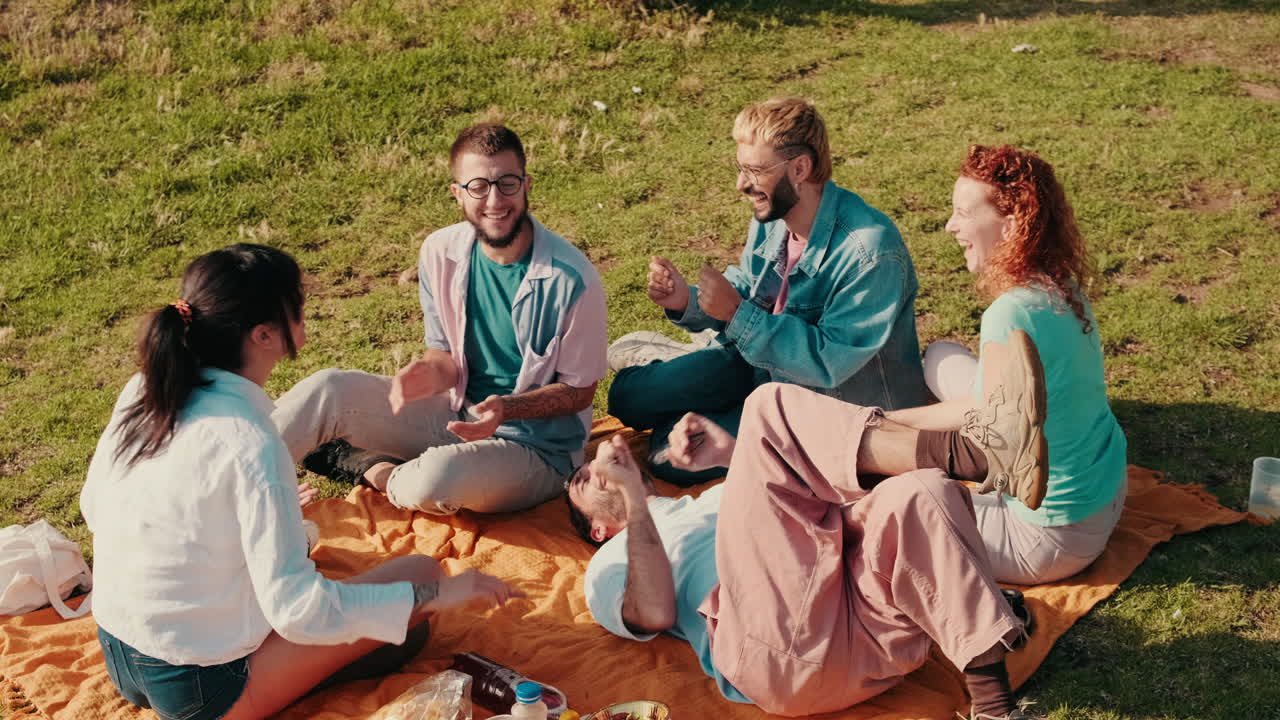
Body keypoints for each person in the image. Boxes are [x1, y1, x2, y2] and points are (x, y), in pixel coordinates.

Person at [81, 244, 519, 720]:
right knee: (419, 582)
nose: (307, 310)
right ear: (265, 335)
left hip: (118, 651)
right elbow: (298, 612)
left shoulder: (144, 388)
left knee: (372, 605)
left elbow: (94, 508)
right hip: (197, 689)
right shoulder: (249, 442)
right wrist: (440, 595)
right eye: (298, 304)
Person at [568, 372, 1044, 719]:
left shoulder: (706, 501)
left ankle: (995, 708)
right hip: (775, 658)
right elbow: (653, 614)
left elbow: (804, 514)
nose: (594, 466)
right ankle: (975, 453)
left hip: (863, 638)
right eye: (583, 480)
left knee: (919, 491)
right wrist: (634, 500)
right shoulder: (608, 565)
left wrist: (736, 455)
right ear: (596, 530)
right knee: (766, 406)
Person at [273, 124, 608, 515]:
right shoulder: (440, 251)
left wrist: (507, 409)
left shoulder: (573, 279)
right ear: (458, 194)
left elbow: (580, 392)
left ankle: (373, 469)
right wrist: (429, 373)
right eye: (479, 186)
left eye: (507, 183)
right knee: (328, 389)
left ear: (527, 184)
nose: (495, 199)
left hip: (537, 451)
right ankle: (230, 487)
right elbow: (444, 357)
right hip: (454, 414)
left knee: (435, 479)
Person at [605, 97, 928, 486]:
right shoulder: (774, 213)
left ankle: (690, 375)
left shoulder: (870, 252)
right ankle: (682, 367)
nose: (741, 184)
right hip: (762, 367)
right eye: (741, 168)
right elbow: (748, 289)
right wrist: (686, 301)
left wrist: (737, 316)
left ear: (800, 168)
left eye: (755, 171)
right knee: (626, 398)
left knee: (669, 456)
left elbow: (830, 364)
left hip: (830, 408)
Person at [882, 144, 1128, 584]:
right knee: (939, 357)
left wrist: (882, 423)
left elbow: (980, 421)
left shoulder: (1010, 313)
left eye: (963, 213)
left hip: (1048, 537)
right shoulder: (1059, 282)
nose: (949, 226)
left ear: (1012, 225)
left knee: (889, 506)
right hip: (1104, 495)